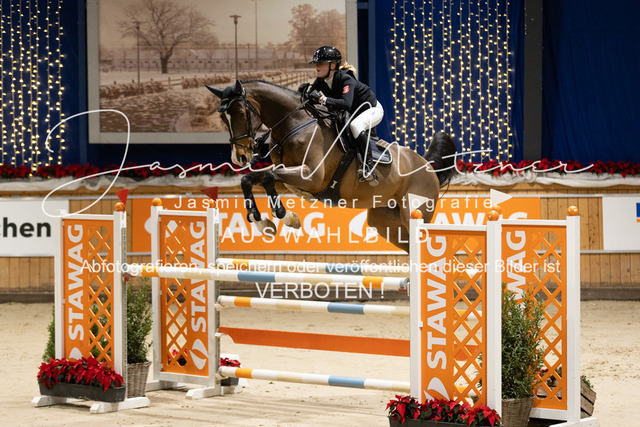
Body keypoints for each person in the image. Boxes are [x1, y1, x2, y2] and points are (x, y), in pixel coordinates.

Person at [300, 46, 383, 186]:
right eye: (316, 63)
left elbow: (346, 104)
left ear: (332, 66)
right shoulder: (321, 80)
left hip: (371, 110)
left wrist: (322, 99)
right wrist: (304, 93)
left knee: (356, 125)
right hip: (354, 112)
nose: (316, 66)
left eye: (320, 63)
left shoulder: (346, 79)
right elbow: (312, 95)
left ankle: (368, 167)